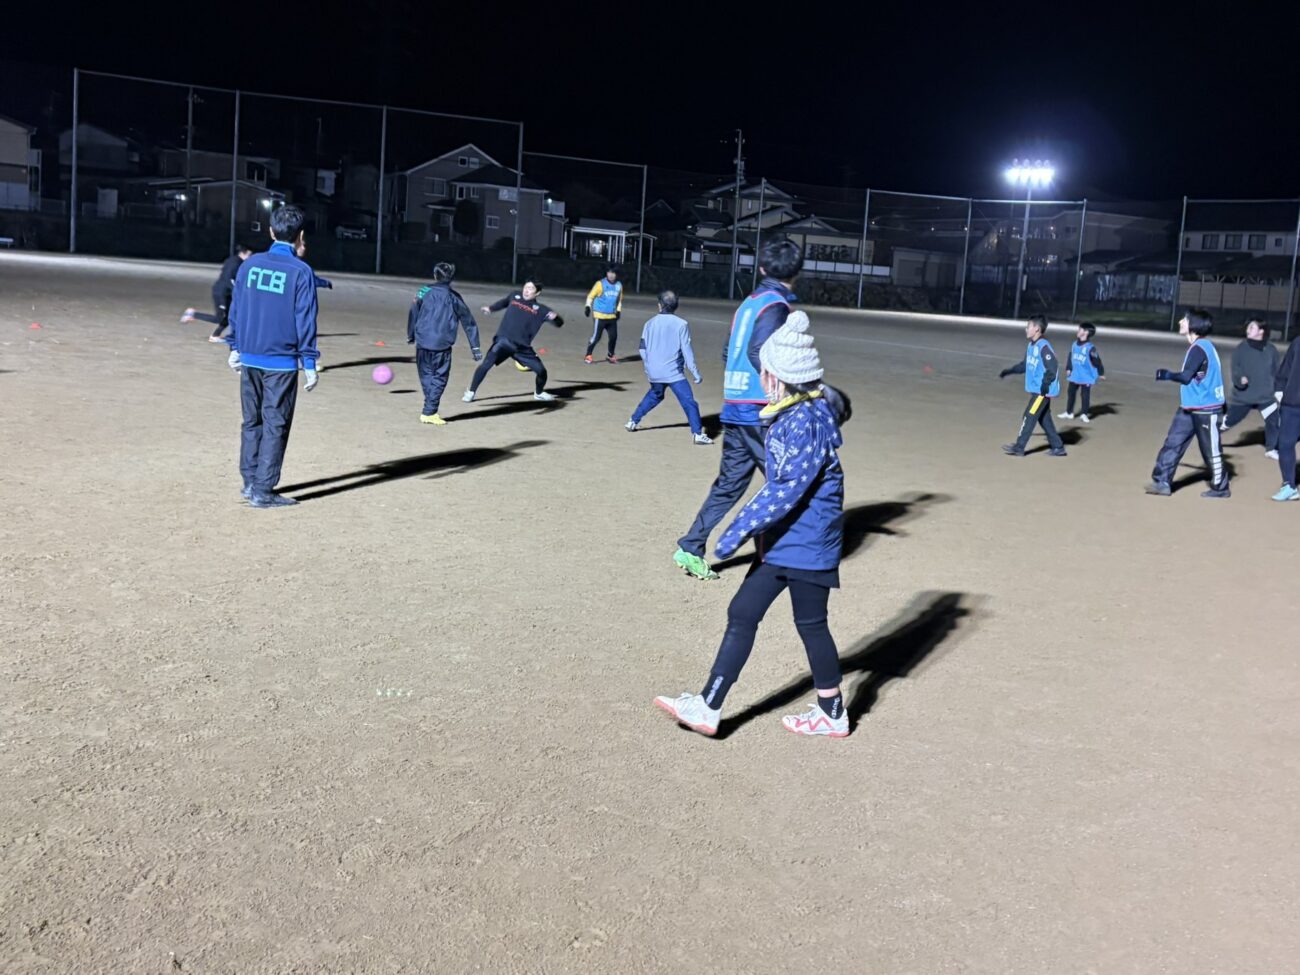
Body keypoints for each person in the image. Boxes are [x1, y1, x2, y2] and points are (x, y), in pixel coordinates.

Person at [654, 311, 853, 738]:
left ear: (780, 378)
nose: (760, 377)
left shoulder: (801, 422)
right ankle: (709, 705)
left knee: (810, 625)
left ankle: (832, 712)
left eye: (765, 370)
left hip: (806, 543)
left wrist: (734, 532)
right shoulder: (801, 407)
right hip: (789, 540)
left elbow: (783, 490)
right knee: (744, 611)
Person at [672, 236, 803, 581]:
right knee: (787, 483)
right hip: (759, 410)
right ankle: (776, 556)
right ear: (799, 271)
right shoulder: (776, 306)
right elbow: (758, 352)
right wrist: (789, 390)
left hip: (735, 405)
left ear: (760, 268)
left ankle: (690, 545)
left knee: (730, 485)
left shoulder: (749, 303)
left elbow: (728, 352)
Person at [226, 205, 320, 509]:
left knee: (251, 421)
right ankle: (263, 490)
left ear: (270, 231)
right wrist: (309, 362)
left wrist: (234, 346)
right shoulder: (301, 272)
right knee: (275, 423)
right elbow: (304, 319)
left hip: (250, 357)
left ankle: (250, 481)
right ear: (300, 236)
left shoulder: (249, 265)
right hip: (280, 363)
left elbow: (236, 309)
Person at [1146, 308, 1229, 498]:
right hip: (1191, 406)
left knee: (1211, 450)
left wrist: (1166, 374)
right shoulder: (1199, 347)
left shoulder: (1200, 347)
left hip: (1206, 408)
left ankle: (1221, 487)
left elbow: (1185, 377)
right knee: (1173, 443)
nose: (1180, 322)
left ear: (1193, 324)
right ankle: (1162, 482)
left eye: (1184, 319)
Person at [625, 290, 711, 444]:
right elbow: (687, 350)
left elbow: (642, 349)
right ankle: (697, 434)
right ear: (675, 306)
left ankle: (632, 421)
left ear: (660, 305)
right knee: (689, 402)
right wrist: (695, 372)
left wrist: (648, 366)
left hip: (654, 371)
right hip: (673, 373)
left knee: (655, 395)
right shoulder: (681, 324)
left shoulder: (649, 323)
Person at [406, 262, 482, 425]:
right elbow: (468, 322)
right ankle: (429, 411)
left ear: (435, 276)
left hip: (423, 341)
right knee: (439, 377)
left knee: (426, 375)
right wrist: (475, 347)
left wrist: (411, 334)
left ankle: (429, 408)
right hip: (441, 344)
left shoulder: (423, 291)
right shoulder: (454, 297)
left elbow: (413, 312)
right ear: (451, 278)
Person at [464, 281, 563, 403]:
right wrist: (491, 308)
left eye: (531, 288)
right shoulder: (515, 296)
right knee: (486, 365)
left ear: (537, 292)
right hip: (503, 341)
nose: (526, 290)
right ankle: (470, 392)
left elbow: (559, 324)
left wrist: (556, 318)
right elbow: (504, 302)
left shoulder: (542, 310)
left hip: (522, 348)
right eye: (525, 287)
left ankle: (539, 393)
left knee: (542, 372)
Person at [998, 314, 1067, 457]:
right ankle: (1058, 446)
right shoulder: (1031, 345)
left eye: (1028, 326)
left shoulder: (1044, 347)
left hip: (1042, 392)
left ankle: (1019, 447)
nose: (1026, 329)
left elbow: (1052, 368)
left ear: (1036, 329)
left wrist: (1044, 387)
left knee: (1029, 416)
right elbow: (1024, 365)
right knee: (1043, 418)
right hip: (1039, 391)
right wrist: (1009, 371)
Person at [1222, 318, 1280, 459]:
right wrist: (1239, 379)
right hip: (1244, 397)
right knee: (1229, 421)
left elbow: (1277, 371)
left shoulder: (1271, 350)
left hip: (1265, 396)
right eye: (1248, 327)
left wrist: (1279, 391)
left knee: (1274, 421)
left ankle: (1271, 449)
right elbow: (1235, 368)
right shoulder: (1241, 348)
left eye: (1252, 327)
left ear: (1261, 331)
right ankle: (1211, 433)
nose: (1248, 330)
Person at [182, 244, 251, 342]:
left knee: (229, 315)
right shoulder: (236, 263)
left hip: (225, 292)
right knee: (220, 318)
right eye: (249, 255)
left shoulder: (234, 260)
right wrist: (236, 290)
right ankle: (192, 314)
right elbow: (228, 279)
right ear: (243, 253)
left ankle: (215, 335)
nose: (250, 257)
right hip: (221, 293)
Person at [1268, 332, 1300, 501]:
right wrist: (1279, 389)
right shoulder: (1298, 342)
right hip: (1292, 404)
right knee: (1285, 444)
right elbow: (1286, 367)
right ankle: (1289, 485)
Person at [1058, 322, 1105, 422]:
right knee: (1071, 393)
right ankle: (1069, 412)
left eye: (1080, 330)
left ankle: (1084, 414)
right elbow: (1070, 356)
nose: (1078, 331)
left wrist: (1101, 372)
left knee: (1085, 395)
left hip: (1086, 376)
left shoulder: (1090, 347)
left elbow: (1097, 360)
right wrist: (1068, 368)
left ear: (1086, 332)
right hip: (1075, 374)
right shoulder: (1074, 344)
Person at [583, 264, 623, 364]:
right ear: (606, 273)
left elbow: (619, 300)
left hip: (612, 317)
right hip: (599, 316)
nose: (611, 275)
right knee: (596, 337)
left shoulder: (619, 285)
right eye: (609, 272)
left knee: (613, 337)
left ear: (616, 274)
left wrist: (618, 310)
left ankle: (610, 355)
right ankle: (588, 355)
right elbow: (590, 296)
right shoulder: (600, 284)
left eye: (613, 273)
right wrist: (588, 306)